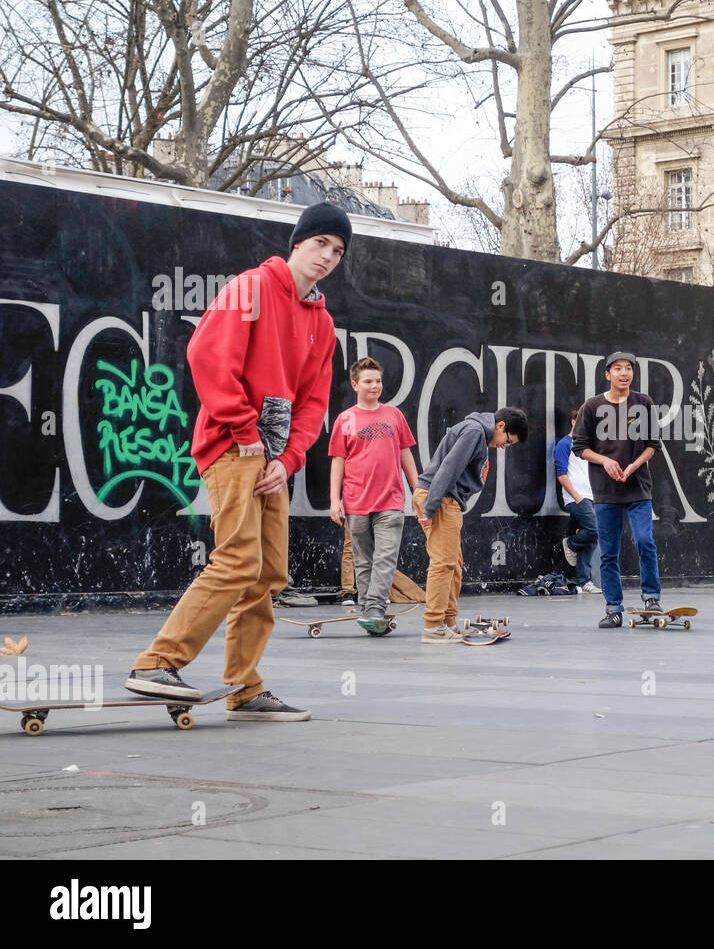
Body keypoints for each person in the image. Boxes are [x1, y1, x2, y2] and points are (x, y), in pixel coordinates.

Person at [125, 201, 350, 720]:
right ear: (298, 242)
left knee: (269, 571)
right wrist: (243, 429)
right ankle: (155, 662)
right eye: (320, 244)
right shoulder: (251, 288)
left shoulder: (323, 323)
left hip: (273, 461)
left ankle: (243, 688)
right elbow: (207, 356)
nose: (328, 257)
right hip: (232, 446)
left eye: (337, 251)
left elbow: (313, 402)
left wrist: (290, 458)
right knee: (238, 559)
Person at [412, 407, 528, 642]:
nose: (503, 446)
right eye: (507, 441)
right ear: (501, 426)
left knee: (454, 564)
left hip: (445, 499)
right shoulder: (475, 431)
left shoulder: (477, 431)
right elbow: (449, 468)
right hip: (441, 498)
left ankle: (447, 622)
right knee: (444, 563)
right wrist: (431, 506)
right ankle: (433, 626)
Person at [571, 351, 664, 628]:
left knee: (645, 542)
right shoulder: (592, 407)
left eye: (629, 368)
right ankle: (613, 608)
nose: (624, 373)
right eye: (618, 368)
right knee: (609, 552)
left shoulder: (643, 403)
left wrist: (634, 465)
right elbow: (580, 447)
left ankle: (651, 598)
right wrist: (605, 461)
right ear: (607, 374)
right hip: (605, 491)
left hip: (638, 488)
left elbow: (653, 445)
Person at [328, 357, 419, 634]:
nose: (375, 385)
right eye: (368, 381)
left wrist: (418, 491)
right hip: (356, 501)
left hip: (390, 500)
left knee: (385, 556)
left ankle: (375, 608)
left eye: (378, 380)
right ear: (355, 384)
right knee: (363, 559)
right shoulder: (345, 419)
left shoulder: (395, 416)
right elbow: (338, 461)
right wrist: (335, 500)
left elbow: (406, 453)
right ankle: (371, 615)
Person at [554, 407, 599, 594]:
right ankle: (570, 543)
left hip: (591, 497)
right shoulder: (564, 445)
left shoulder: (588, 447)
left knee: (592, 539)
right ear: (573, 421)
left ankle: (583, 581)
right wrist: (577, 496)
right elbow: (561, 475)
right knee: (594, 530)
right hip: (576, 498)